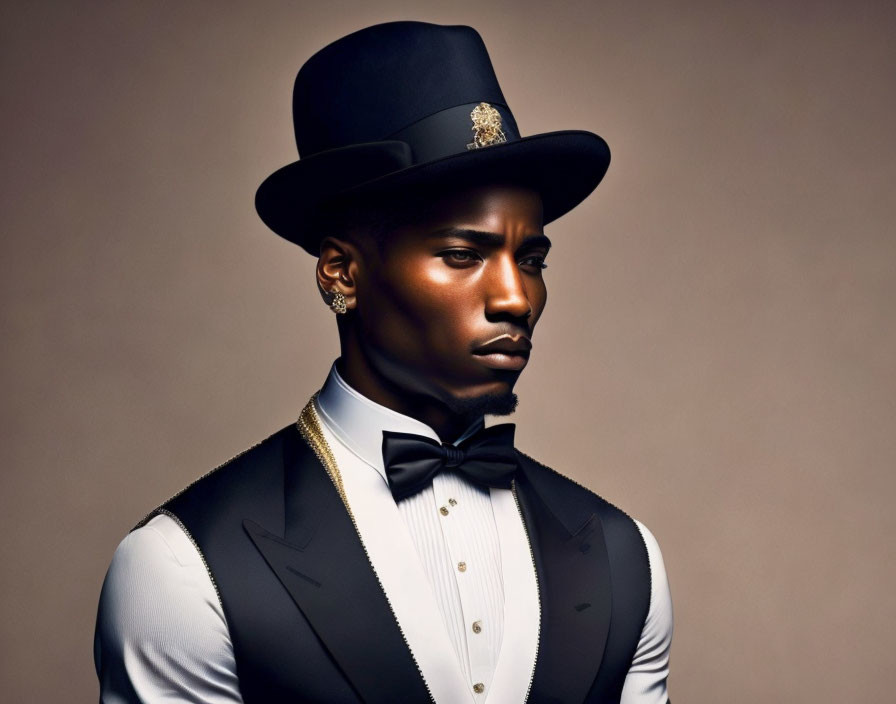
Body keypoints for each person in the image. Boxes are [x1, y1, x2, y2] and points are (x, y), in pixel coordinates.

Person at [94, 20, 673, 704]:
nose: (517, 297)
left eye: (532, 259)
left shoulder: (623, 556)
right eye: (463, 255)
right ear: (342, 272)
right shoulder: (183, 566)